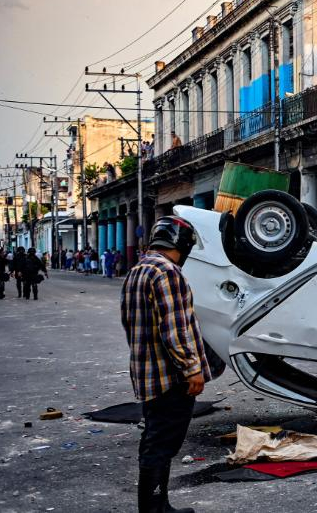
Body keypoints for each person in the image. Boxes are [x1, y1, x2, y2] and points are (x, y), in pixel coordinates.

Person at [121, 216, 211, 513]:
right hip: (170, 378)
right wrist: (192, 369)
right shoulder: (168, 272)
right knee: (161, 444)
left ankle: (159, 504)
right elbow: (174, 329)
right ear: (182, 245)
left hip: (147, 374)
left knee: (155, 439)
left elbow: (130, 323)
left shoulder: (138, 270)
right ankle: (154, 509)